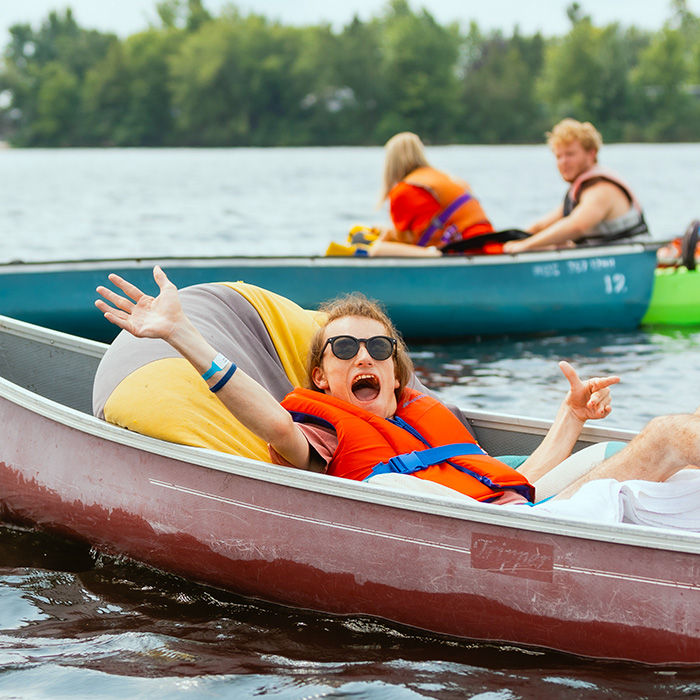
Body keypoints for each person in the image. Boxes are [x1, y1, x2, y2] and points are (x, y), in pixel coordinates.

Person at [95, 266, 700, 508]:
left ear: (395, 369)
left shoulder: (424, 415)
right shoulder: (322, 431)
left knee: (660, 448)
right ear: (321, 376)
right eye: (345, 348)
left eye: (379, 349)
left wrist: (570, 417)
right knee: (671, 436)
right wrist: (183, 336)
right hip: (506, 538)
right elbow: (270, 423)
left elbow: (517, 480)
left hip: (528, 509)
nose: (365, 357)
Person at [503, 119, 649, 254]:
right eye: (558, 156)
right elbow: (541, 226)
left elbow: (576, 226)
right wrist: (506, 243)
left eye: (570, 154)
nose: (563, 162)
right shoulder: (580, 192)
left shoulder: (601, 190)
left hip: (635, 263)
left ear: (591, 153)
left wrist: (524, 246)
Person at [369, 132, 502, 258]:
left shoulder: (403, 190)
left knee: (378, 249)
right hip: (488, 242)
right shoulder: (447, 178)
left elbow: (405, 241)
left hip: (459, 248)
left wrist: (385, 236)